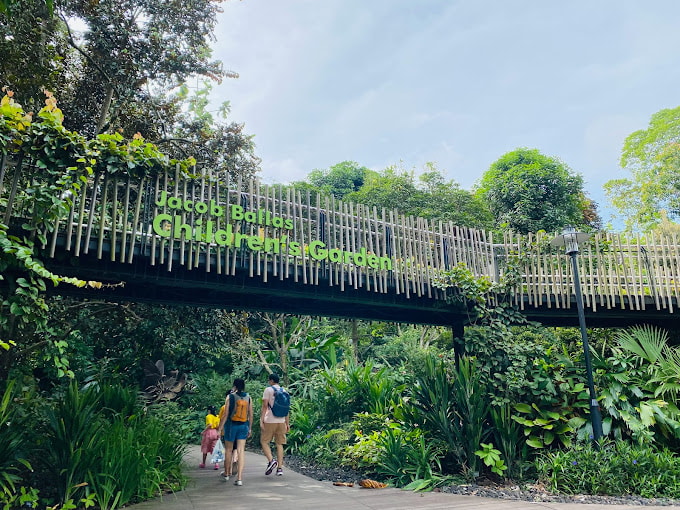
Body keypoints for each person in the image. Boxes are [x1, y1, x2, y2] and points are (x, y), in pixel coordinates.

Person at [217, 378, 253, 486]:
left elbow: (225, 414)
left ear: (234, 386)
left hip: (231, 425)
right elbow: (251, 414)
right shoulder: (248, 397)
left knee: (228, 450)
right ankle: (240, 478)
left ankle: (227, 473)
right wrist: (250, 428)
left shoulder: (230, 397)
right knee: (241, 451)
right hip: (243, 425)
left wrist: (219, 428)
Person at [260, 373, 290, 477]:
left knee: (264, 442)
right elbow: (287, 409)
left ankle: (271, 460)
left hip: (270, 420)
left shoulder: (268, 390)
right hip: (281, 421)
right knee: (279, 444)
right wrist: (287, 423)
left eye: (269, 380)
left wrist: (261, 420)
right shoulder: (284, 391)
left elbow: (264, 406)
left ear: (272, 381)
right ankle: (280, 468)